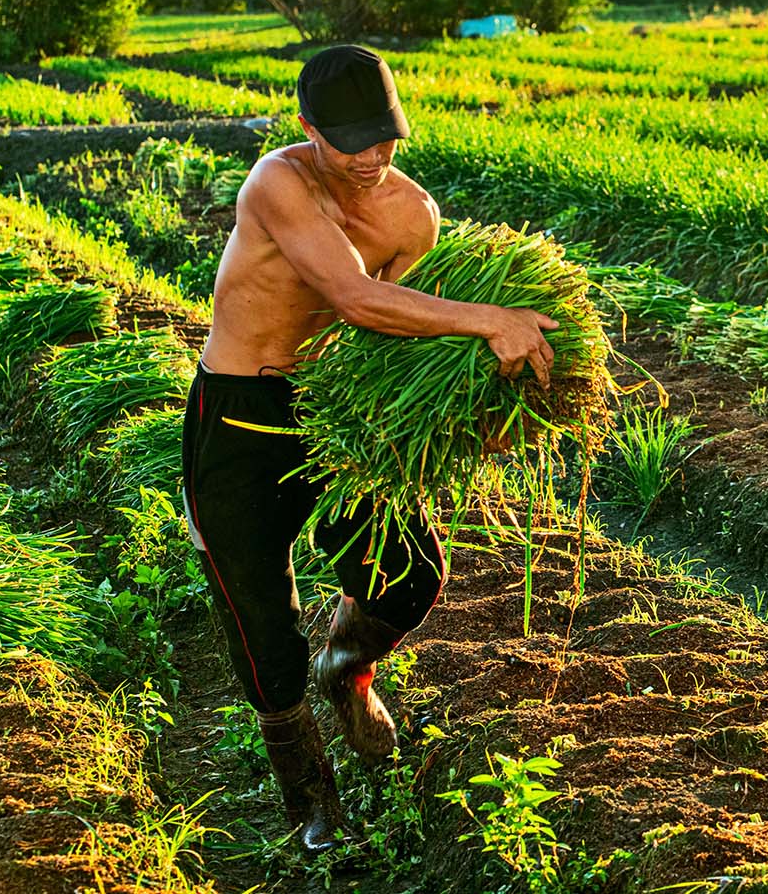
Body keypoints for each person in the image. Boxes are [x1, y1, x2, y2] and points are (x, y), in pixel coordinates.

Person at [180, 45, 558, 851]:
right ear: (308, 129)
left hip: (333, 411)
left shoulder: (412, 214)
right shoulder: (277, 183)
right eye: (351, 141)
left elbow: (398, 333)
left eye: (384, 138)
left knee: (409, 572)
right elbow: (354, 297)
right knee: (259, 622)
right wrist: (489, 318)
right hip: (241, 413)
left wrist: (474, 408)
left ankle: (346, 667)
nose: (370, 158)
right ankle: (310, 798)